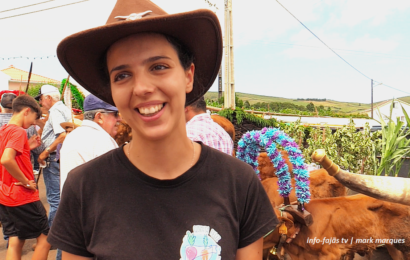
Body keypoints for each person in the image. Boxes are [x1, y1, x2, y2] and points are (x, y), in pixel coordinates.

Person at [48, 0, 278, 259]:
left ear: (188, 76)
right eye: (122, 75)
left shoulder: (239, 183)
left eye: (158, 67)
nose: (142, 88)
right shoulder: (84, 187)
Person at [0, 95, 51, 260]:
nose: (34, 123)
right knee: (45, 238)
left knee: (16, 239)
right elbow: (6, 159)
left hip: (6, 194)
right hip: (22, 195)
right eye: (34, 118)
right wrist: (25, 182)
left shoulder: (4, 130)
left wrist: (27, 146)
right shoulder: (18, 131)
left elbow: (7, 155)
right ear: (26, 111)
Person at [60, 94, 120, 193]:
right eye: (115, 114)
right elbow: (112, 185)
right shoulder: (101, 139)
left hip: (73, 204)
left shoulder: (72, 136)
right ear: (99, 117)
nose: (119, 119)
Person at [34, 85, 70, 230]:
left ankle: (52, 237)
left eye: (41, 99)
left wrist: (46, 151)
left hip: (53, 158)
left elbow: (62, 134)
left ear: (48, 97)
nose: (41, 103)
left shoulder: (55, 110)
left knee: (55, 200)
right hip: (59, 157)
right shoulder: (63, 109)